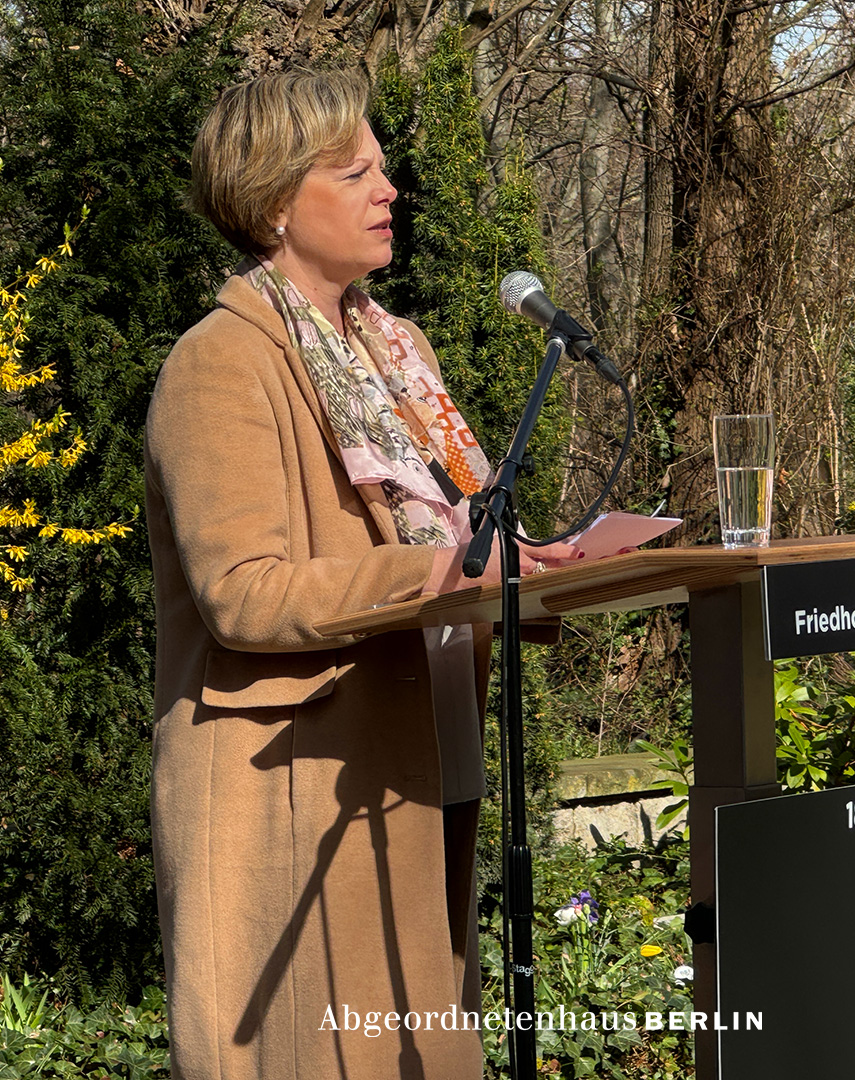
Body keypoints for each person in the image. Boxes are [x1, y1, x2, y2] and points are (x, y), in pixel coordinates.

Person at [144, 68, 573, 1080]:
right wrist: (426, 576)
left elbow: (458, 523)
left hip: (427, 746)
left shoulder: (396, 349)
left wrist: (528, 567)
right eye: (355, 171)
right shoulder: (223, 362)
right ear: (275, 201)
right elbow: (243, 590)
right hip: (299, 781)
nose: (390, 189)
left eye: (383, 167)